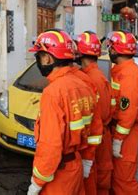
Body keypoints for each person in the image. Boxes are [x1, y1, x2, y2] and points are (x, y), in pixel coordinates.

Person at [27, 29, 96, 195]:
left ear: (48, 58)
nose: (38, 61)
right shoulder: (83, 84)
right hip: (76, 167)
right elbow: (93, 129)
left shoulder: (54, 92)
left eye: (39, 56)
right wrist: (87, 160)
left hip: (59, 175)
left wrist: (36, 183)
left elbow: (51, 145)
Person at [106, 31, 138, 195]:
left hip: (126, 135)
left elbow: (128, 113)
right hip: (122, 131)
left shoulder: (129, 76)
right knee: (118, 178)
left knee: (124, 182)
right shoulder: (122, 70)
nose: (109, 51)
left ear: (115, 50)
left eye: (110, 48)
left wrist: (118, 140)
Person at [76, 31, 115, 195]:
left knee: (96, 182)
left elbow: (99, 115)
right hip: (101, 137)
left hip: (95, 140)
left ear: (80, 53)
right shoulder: (96, 75)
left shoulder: (90, 79)